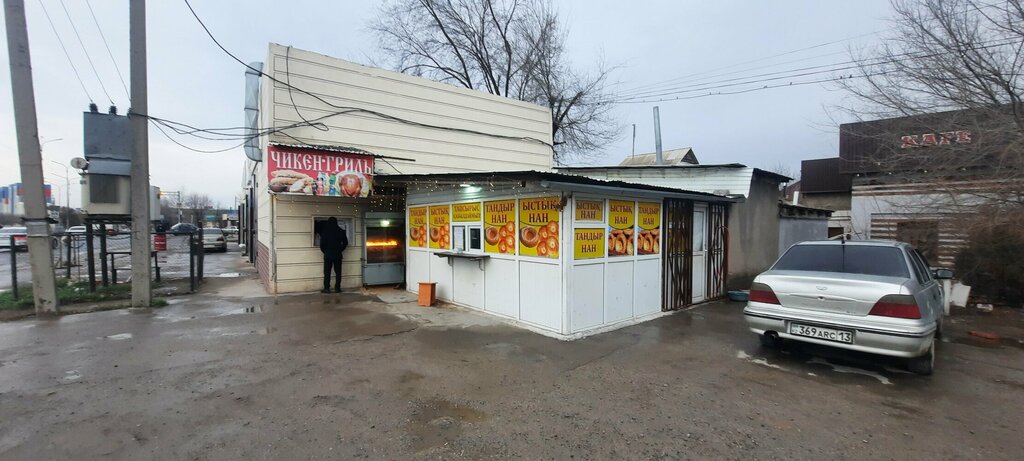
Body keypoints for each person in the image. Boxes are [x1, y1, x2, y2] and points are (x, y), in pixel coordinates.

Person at [317, 217, 348, 293]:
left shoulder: (325, 232)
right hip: (338, 255)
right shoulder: (341, 231)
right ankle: (337, 288)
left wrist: (326, 251)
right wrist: (340, 249)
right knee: (338, 272)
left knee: (327, 272)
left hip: (328, 255)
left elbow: (322, 245)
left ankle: (326, 288)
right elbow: (345, 243)